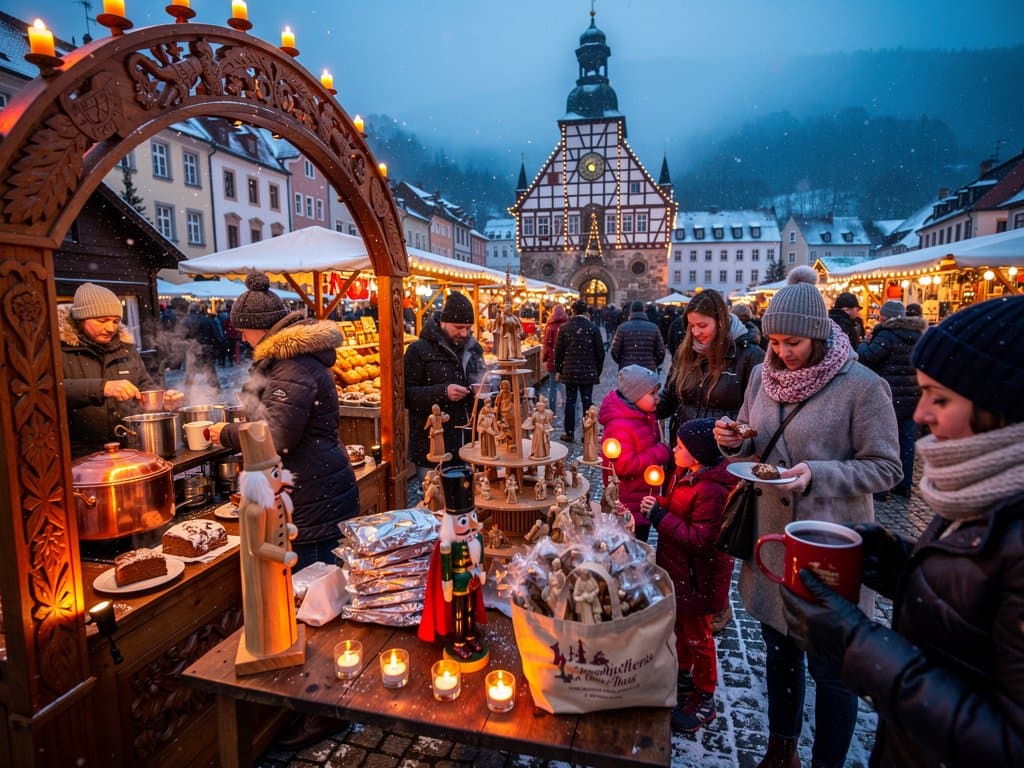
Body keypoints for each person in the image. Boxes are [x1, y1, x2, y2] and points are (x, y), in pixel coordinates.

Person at [781, 295, 1024, 768]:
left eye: (941, 398)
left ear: (1002, 408)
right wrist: (907, 568)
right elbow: (977, 618)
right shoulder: (978, 490)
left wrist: (863, 648)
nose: (920, 415)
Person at [712, 265, 901, 768]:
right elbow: (753, 437)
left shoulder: (862, 386)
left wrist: (814, 473)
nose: (779, 352)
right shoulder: (761, 375)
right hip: (772, 539)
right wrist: (734, 439)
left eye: (791, 342)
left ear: (817, 335)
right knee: (779, 653)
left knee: (831, 670)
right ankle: (781, 750)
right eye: (773, 341)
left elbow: (887, 468)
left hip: (830, 544)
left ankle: (825, 763)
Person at [209, 272, 357, 570]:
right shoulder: (289, 360)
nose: (243, 337)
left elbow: (277, 437)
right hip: (316, 487)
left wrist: (226, 433)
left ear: (259, 328)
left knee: (315, 593)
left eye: (245, 331)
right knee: (320, 591)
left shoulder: (291, 366)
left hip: (312, 496)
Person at [640, 418, 739, 734]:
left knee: (699, 637)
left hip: (699, 579)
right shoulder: (688, 475)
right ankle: (683, 675)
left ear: (696, 455)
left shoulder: (710, 489)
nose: (674, 449)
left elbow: (701, 540)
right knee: (680, 628)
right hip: (682, 574)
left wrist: (659, 516)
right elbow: (681, 510)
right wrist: (662, 503)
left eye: (680, 447)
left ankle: (704, 696)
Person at [60, 282, 183, 457]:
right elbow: (51, 391)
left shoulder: (126, 348)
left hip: (128, 448)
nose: (110, 328)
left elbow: (144, 384)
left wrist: (162, 399)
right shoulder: (59, 350)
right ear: (81, 319)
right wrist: (103, 388)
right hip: (80, 455)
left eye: (116, 321)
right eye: (102, 321)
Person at [659, 289, 765, 441]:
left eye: (702, 325)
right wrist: (643, 405)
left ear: (720, 323)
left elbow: (758, 414)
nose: (695, 332)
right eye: (692, 326)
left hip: (723, 452)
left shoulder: (749, 355)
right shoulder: (686, 352)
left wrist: (738, 435)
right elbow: (670, 396)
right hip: (685, 450)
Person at [404, 291, 486, 479]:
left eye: (468, 328)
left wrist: (485, 392)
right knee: (436, 500)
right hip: (434, 447)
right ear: (443, 322)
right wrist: (443, 392)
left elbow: (482, 380)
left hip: (470, 444)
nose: (464, 333)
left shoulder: (474, 349)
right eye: (458, 327)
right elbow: (406, 395)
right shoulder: (418, 350)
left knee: (470, 499)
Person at [856, 299, 927, 498]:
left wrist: (864, 343)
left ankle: (881, 489)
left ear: (884, 316)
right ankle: (904, 485)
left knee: (884, 441)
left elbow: (868, 357)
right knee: (906, 441)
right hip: (912, 395)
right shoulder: (918, 335)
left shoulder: (886, 334)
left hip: (889, 395)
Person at [597, 365, 672, 542]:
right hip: (628, 505)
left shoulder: (643, 416)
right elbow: (623, 465)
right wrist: (660, 452)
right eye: (652, 394)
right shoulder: (621, 426)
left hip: (641, 499)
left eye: (657, 393)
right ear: (635, 395)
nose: (657, 399)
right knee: (632, 547)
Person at [553, 299, 605, 442]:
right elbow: (600, 353)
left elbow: (558, 353)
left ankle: (569, 432)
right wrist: (596, 371)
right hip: (588, 372)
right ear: (585, 311)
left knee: (570, 402)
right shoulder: (592, 328)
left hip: (570, 372)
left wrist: (560, 369)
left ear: (573, 311)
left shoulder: (564, 328)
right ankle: (587, 433)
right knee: (587, 402)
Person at [610, 300, 666, 372]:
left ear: (631, 311)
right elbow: (661, 351)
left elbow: (614, 350)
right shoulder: (654, 328)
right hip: (648, 371)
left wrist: (623, 362)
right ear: (643, 310)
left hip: (628, 371)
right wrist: (653, 363)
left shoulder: (622, 328)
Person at [541, 303, 568, 411]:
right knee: (564, 385)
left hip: (553, 359)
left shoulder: (550, 327)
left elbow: (547, 345)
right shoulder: (567, 326)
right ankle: (567, 406)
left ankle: (552, 410)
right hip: (565, 361)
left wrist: (545, 358)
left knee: (553, 386)